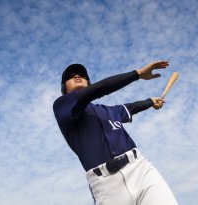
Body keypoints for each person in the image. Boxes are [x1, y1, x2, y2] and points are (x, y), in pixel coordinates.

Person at [53, 61, 178, 205]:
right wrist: (137, 74)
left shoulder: (109, 111)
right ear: (64, 88)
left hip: (139, 169)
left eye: (82, 75)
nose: (77, 76)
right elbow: (101, 88)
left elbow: (130, 108)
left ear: (88, 82)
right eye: (71, 76)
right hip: (106, 185)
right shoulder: (61, 107)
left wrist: (150, 101)